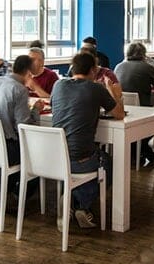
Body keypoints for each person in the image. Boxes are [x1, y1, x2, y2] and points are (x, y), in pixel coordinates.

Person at [51, 52, 124, 228]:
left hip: (55, 158)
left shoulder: (58, 85)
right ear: (93, 70)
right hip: (80, 159)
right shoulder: (96, 88)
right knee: (108, 162)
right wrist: (111, 91)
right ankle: (81, 205)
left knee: (90, 156)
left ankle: (70, 201)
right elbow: (119, 114)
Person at [0, 54, 43, 206]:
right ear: (29, 73)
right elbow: (24, 127)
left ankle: (1, 192)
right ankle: (14, 196)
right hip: (4, 149)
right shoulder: (19, 90)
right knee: (38, 159)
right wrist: (36, 110)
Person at [114, 42, 154, 167]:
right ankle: (144, 149)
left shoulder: (118, 67)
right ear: (143, 54)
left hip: (122, 109)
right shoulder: (147, 67)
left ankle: (140, 149)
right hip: (142, 110)